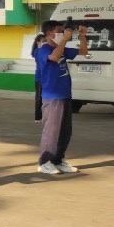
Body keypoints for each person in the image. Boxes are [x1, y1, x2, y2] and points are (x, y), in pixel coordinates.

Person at [34, 21, 87, 175]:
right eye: (59, 31)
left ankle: (58, 160)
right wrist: (64, 39)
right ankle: (45, 162)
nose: (62, 33)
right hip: (52, 97)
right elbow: (54, 57)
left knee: (65, 131)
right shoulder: (42, 50)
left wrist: (82, 37)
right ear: (49, 33)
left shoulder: (62, 48)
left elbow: (83, 51)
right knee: (51, 131)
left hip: (65, 95)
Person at [30, 33, 46, 121]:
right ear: (38, 42)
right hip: (40, 78)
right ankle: (38, 116)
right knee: (39, 97)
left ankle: (45, 115)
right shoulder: (37, 51)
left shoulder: (45, 50)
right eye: (43, 41)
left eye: (46, 41)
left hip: (46, 77)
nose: (45, 43)